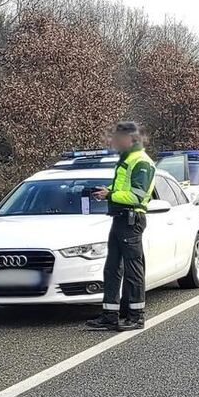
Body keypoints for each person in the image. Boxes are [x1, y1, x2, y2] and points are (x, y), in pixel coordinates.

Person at [85, 121, 156, 332]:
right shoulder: (127, 159)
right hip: (120, 218)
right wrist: (106, 191)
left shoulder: (142, 162)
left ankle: (136, 316)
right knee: (112, 268)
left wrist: (111, 195)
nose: (115, 142)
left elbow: (138, 194)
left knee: (133, 270)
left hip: (131, 220)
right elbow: (122, 188)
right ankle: (110, 315)